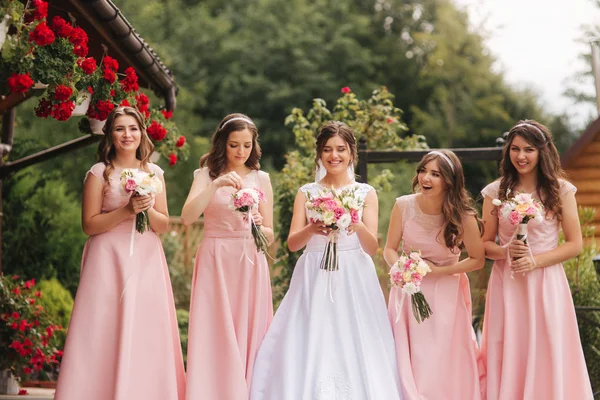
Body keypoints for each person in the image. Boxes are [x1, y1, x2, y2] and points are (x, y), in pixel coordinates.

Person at [250, 121, 402, 400]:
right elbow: (293, 244)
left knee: (354, 335)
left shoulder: (365, 193)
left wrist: (355, 223)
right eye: (328, 150)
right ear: (319, 154)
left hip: (354, 272)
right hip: (314, 272)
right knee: (313, 334)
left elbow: (372, 247)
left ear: (351, 153)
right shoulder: (307, 192)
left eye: (341, 149)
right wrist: (312, 228)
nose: (334, 156)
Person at [55, 106, 185, 400]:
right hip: (107, 256)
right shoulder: (99, 173)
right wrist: (126, 209)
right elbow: (89, 224)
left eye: (133, 128)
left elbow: (163, 223)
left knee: (146, 326)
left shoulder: (154, 173)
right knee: (102, 324)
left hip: (146, 255)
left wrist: (146, 207)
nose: (128, 134)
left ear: (142, 133)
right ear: (110, 135)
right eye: (120, 129)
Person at [480, 120, 593, 399]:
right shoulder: (495, 193)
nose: (521, 156)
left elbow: (575, 244)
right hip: (507, 282)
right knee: (509, 345)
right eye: (515, 149)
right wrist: (505, 251)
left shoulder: (561, 190)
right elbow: (483, 245)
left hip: (546, 281)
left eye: (529, 149)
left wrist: (536, 261)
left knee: (547, 345)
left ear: (543, 151)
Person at [181, 113, 274, 399]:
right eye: (234, 145)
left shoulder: (261, 178)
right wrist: (216, 185)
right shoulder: (204, 175)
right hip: (216, 258)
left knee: (248, 329)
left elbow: (270, 236)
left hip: (249, 261)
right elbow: (186, 218)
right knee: (215, 327)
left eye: (247, 145)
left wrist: (259, 224)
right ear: (223, 143)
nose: (241, 152)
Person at [385, 149, 485, 400]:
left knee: (439, 358)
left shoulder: (464, 216)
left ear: (449, 181)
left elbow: (477, 259)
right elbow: (389, 249)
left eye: (435, 174)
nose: (425, 178)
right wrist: (401, 269)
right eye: (422, 171)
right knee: (412, 354)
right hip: (409, 292)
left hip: (446, 295)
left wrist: (441, 271)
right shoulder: (403, 205)